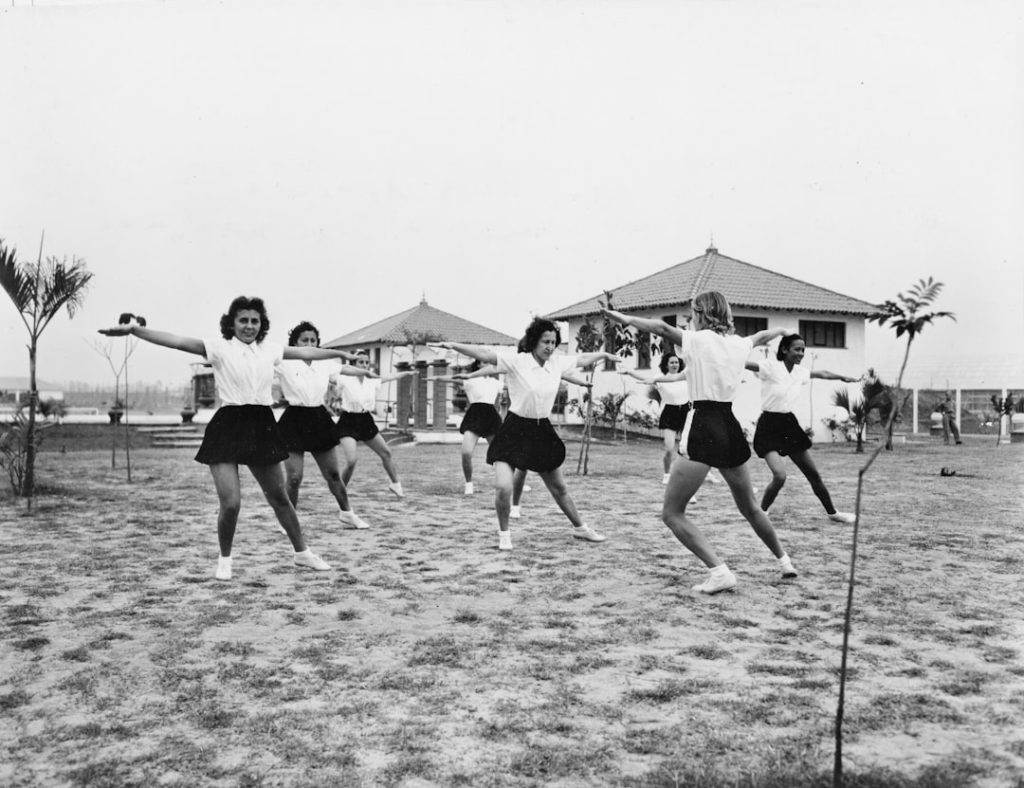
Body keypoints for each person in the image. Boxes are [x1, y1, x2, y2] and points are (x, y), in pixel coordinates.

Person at [99, 296, 355, 581]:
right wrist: (135, 330)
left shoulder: (270, 350)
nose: (249, 326)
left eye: (255, 321)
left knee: (280, 498)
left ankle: (302, 553)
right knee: (231, 503)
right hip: (228, 426)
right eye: (243, 320)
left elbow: (307, 352)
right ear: (232, 323)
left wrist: (339, 354)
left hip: (261, 426)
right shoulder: (219, 348)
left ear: (261, 324)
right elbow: (176, 341)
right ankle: (225, 558)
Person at [602, 292, 795, 594]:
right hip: (729, 425)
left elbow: (661, 329)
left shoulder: (698, 339)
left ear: (702, 313)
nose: (690, 318)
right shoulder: (739, 343)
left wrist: (624, 318)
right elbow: (761, 336)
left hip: (703, 423)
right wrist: (781, 330)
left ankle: (719, 572)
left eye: (693, 313)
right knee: (750, 507)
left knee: (672, 513)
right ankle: (785, 562)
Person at [431, 320, 616, 550]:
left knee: (559, 488)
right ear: (534, 341)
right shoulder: (518, 361)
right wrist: (452, 345)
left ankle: (580, 528)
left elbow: (583, 359)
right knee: (503, 486)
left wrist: (604, 354)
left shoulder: (556, 363)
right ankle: (504, 535)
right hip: (514, 429)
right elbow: (484, 354)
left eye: (553, 342)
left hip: (541, 430)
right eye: (545, 342)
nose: (550, 347)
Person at [744, 334, 861, 524]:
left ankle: (833, 513)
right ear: (785, 350)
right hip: (768, 425)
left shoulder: (800, 372)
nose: (801, 353)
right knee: (780, 476)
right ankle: (761, 513)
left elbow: (822, 373)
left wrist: (842, 377)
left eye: (803, 350)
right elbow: (746, 364)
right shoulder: (771, 367)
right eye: (797, 349)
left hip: (789, 424)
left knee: (813, 474)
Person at [276, 321, 374, 529]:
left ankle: (347, 514)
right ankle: (288, 522)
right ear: (295, 343)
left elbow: (344, 369)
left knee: (333, 474)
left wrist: (365, 372)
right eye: (304, 340)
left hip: (318, 418)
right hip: (294, 419)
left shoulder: (324, 363)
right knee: (294, 478)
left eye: (313, 340)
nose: (309, 344)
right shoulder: (284, 361)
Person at [619, 352, 724, 488]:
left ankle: (706, 474)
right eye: (672, 362)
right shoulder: (660, 378)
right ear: (666, 365)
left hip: (686, 412)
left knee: (699, 444)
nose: (675, 365)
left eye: (676, 362)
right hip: (670, 413)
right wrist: (629, 372)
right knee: (669, 448)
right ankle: (667, 475)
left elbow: (707, 381)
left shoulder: (685, 376)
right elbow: (645, 378)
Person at [333, 357, 416, 497]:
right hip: (348, 421)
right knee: (352, 461)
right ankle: (340, 491)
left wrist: (407, 373)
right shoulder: (345, 379)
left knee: (386, 453)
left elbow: (391, 377)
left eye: (366, 362)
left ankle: (395, 484)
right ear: (354, 365)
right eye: (361, 362)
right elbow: (327, 375)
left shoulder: (372, 380)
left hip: (366, 420)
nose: (364, 365)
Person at [434, 360, 504, 494]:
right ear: (478, 365)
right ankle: (469, 484)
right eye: (484, 362)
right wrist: (436, 377)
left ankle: (510, 481)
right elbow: (452, 378)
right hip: (474, 416)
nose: (488, 365)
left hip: (491, 416)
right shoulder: (470, 381)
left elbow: (514, 386)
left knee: (501, 454)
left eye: (489, 363)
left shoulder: (496, 383)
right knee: (466, 452)